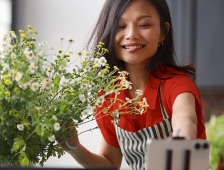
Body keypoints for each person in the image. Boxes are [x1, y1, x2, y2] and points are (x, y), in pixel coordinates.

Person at [58, 0, 206, 170]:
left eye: (144, 24)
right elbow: (110, 164)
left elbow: (185, 119)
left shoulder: (177, 84)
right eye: (120, 26)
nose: (131, 34)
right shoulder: (109, 95)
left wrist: (181, 140)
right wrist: (75, 149)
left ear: (163, 32)